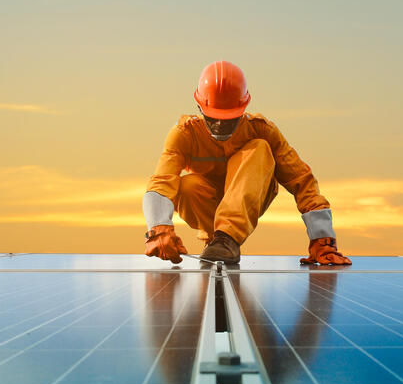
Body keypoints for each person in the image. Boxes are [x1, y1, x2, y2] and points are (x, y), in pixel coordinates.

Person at [142, 60, 352, 265]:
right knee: (186, 185)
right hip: (208, 208)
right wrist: (158, 228)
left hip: (252, 196)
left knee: (259, 148)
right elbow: (162, 182)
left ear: (243, 108)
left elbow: (301, 180)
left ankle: (227, 238)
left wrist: (322, 239)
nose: (219, 126)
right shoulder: (184, 135)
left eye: (228, 119)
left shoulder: (262, 130)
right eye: (212, 118)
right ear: (199, 107)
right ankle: (218, 240)